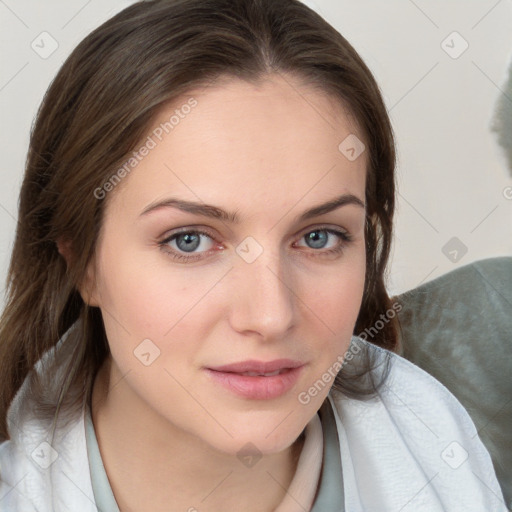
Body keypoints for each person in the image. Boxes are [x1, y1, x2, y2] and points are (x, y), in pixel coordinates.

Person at [0, 0, 506, 510]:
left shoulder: (463, 468)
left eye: (319, 237)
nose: (271, 316)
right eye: (189, 240)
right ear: (81, 262)